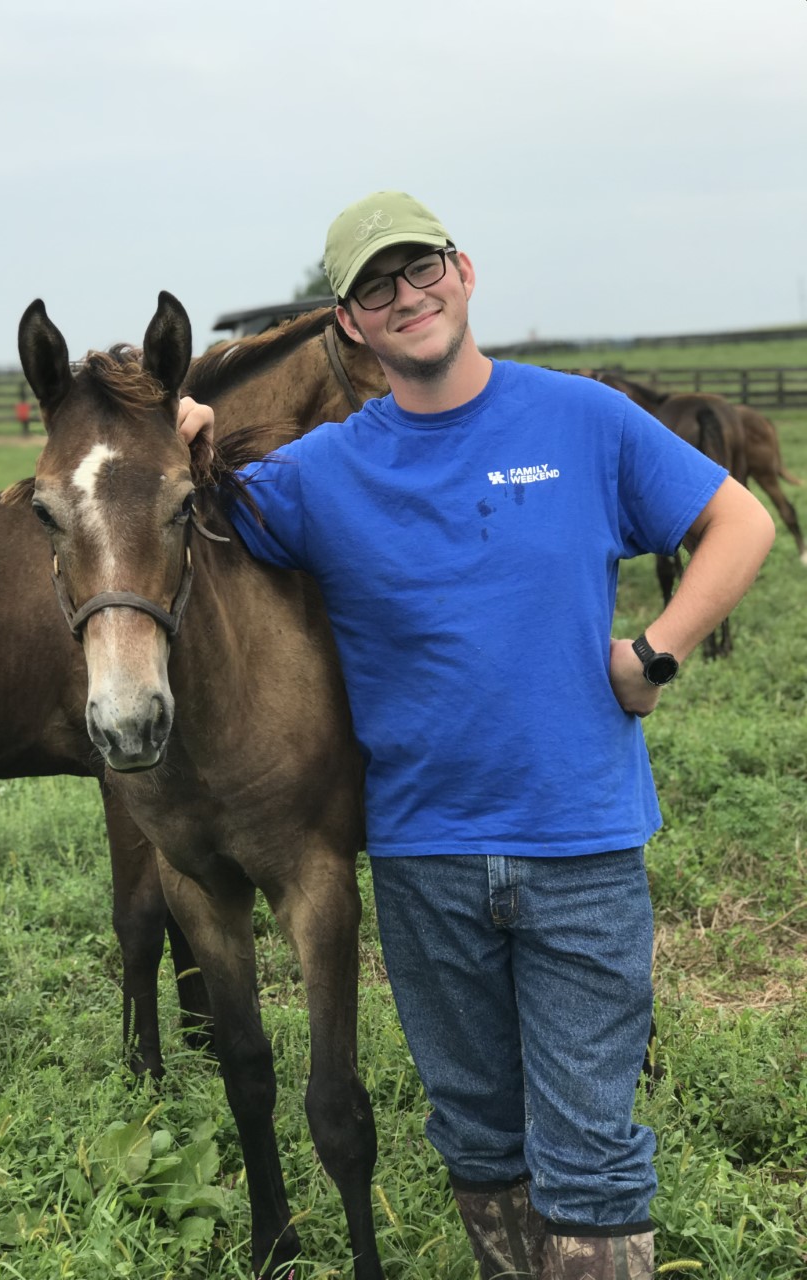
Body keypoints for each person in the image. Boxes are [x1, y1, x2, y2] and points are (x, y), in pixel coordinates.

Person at [180, 191, 775, 1279]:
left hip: (580, 848)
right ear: (348, 324)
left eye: (422, 269)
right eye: (375, 286)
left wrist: (656, 651)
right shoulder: (319, 475)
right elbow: (188, 520)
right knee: (482, 1146)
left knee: (590, 1158)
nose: (407, 296)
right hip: (425, 862)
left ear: (463, 271)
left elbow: (743, 520)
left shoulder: (581, 419)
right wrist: (178, 435)